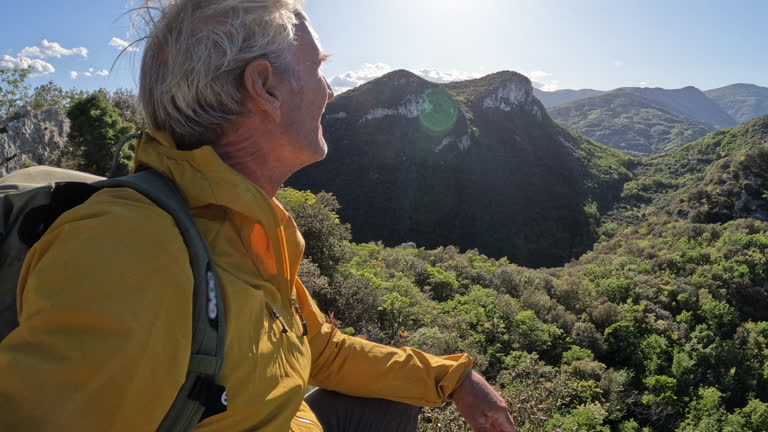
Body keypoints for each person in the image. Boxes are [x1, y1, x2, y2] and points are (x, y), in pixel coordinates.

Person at [0, 1, 515, 431]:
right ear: (264, 87)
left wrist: (451, 378)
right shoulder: (134, 252)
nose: (330, 91)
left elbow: (319, 349)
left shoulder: (247, 226)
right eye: (317, 68)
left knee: (395, 404)